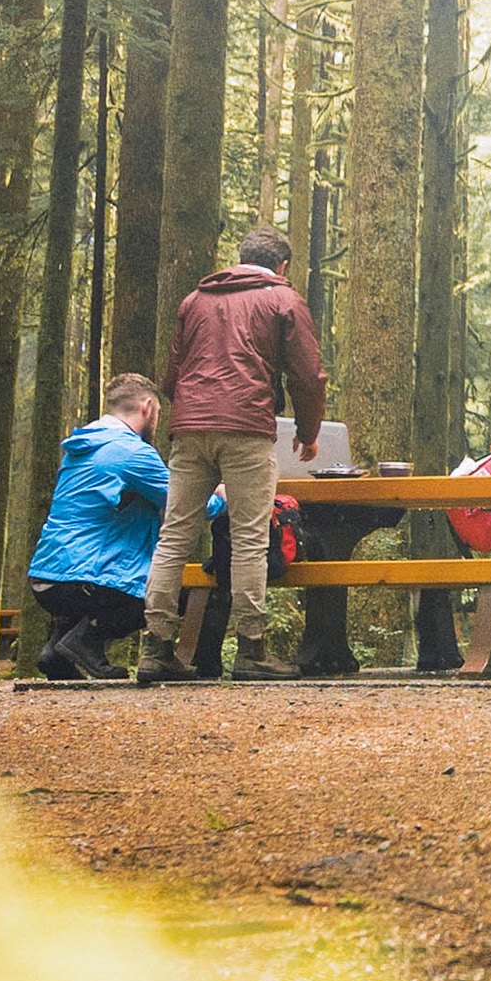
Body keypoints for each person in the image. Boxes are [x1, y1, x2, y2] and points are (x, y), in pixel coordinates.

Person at [137, 227, 325, 684]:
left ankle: (156, 647)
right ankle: (251, 649)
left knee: (175, 534)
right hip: (246, 426)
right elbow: (308, 374)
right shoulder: (282, 300)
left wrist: (189, 410)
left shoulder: (195, 300)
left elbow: (172, 373)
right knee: (249, 537)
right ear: (281, 266)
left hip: (191, 427)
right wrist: (307, 431)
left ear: (240, 260)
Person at [25, 375, 171, 681]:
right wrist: (221, 498)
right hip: (82, 578)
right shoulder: (133, 452)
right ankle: (85, 641)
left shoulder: (81, 447)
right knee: (163, 590)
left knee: (108, 578)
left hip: (46, 576)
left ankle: (55, 654)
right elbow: (182, 504)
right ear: (147, 407)